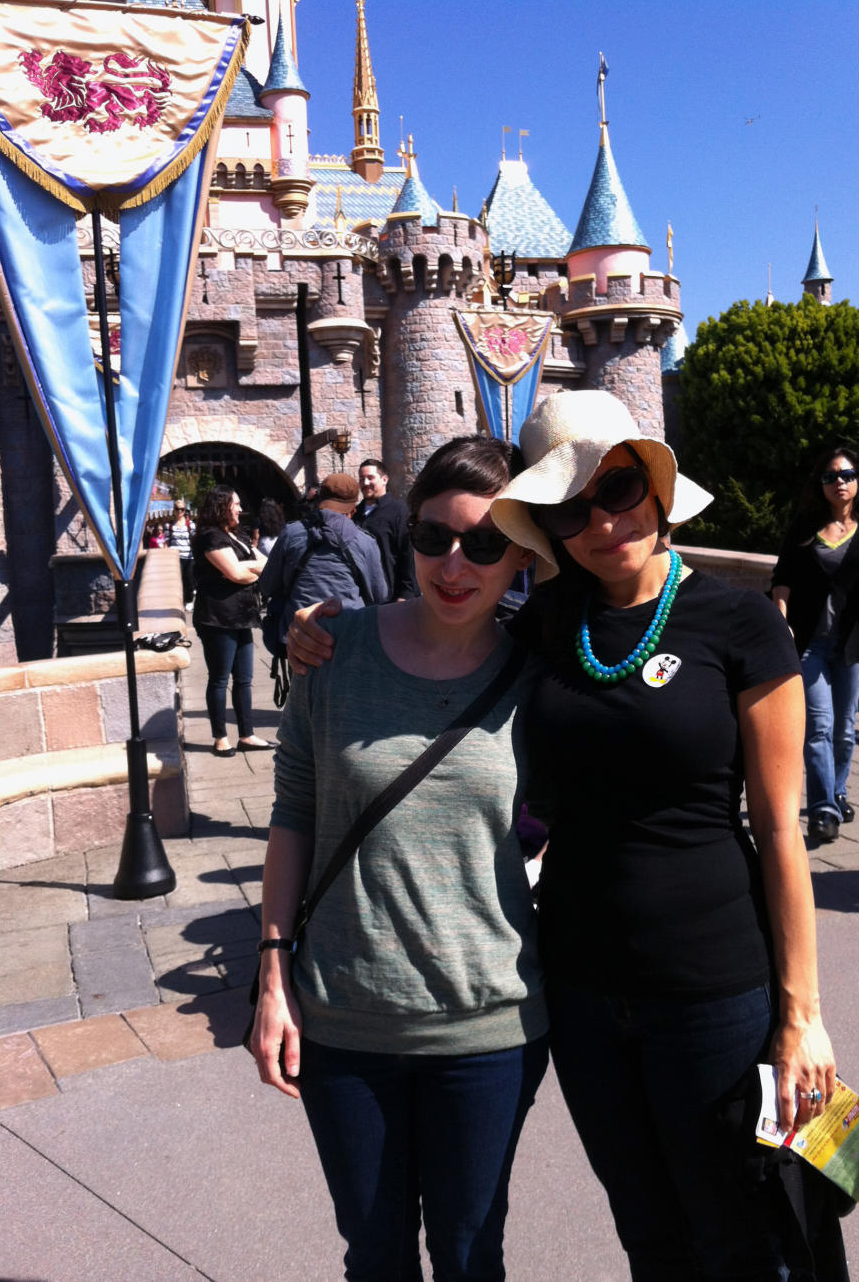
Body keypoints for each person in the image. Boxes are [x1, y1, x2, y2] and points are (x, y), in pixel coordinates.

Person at [287, 391, 843, 1280]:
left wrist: (802, 1016)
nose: (601, 520)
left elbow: (781, 828)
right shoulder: (546, 627)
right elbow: (440, 627)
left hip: (713, 985)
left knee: (749, 1229)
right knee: (649, 1229)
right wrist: (322, 629)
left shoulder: (738, 621)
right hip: (582, 993)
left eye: (618, 487)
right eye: (569, 507)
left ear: (656, 487)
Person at [249, 436, 546, 1282]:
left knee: (466, 1253)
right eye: (432, 537)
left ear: (522, 554)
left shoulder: (543, 669)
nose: (455, 563)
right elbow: (294, 812)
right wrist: (273, 977)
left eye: (486, 543)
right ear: (403, 537)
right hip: (347, 1017)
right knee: (375, 1255)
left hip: (488, 1023)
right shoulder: (335, 650)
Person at [772, 446, 859, 842]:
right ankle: (823, 809)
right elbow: (783, 576)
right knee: (819, 727)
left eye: (846, 475)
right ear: (821, 484)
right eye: (830, 477)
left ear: (858, 480)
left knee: (845, 729)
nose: (839, 482)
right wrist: (780, 616)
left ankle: (837, 790)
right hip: (810, 642)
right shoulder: (805, 525)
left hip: (854, 641)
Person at [256, 472, 388, 650]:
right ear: (353, 509)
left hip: (300, 639)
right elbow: (379, 595)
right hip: (351, 637)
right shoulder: (365, 542)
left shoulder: (291, 533)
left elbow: (267, 586)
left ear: (319, 503)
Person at [192, 485, 273, 758]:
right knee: (219, 679)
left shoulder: (236, 536)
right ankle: (220, 738)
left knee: (244, 679)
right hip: (217, 618)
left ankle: (247, 735)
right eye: (235, 504)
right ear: (221, 506)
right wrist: (247, 570)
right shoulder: (209, 538)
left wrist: (245, 569)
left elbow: (265, 564)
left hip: (242, 616)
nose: (240, 509)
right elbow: (236, 574)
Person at [354, 456, 417, 599]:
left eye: (370, 478)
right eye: (361, 478)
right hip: (362, 597)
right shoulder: (355, 514)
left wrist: (406, 594)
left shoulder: (399, 511)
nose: (365, 483)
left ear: (384, 479)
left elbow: (409, 554)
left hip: (392, 597)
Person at [168, 498, 196, 610]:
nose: (179, 511)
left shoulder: (191, 525)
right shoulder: (169, 526)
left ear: (185, 510)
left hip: (189, 557)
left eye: (182, 509)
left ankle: (189, 600)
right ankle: (178, 602)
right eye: (177, 509)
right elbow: (165, 542)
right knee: (176, 582)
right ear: (174, 510)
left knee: (189, 580)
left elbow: (195, 539)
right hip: (175, 557)